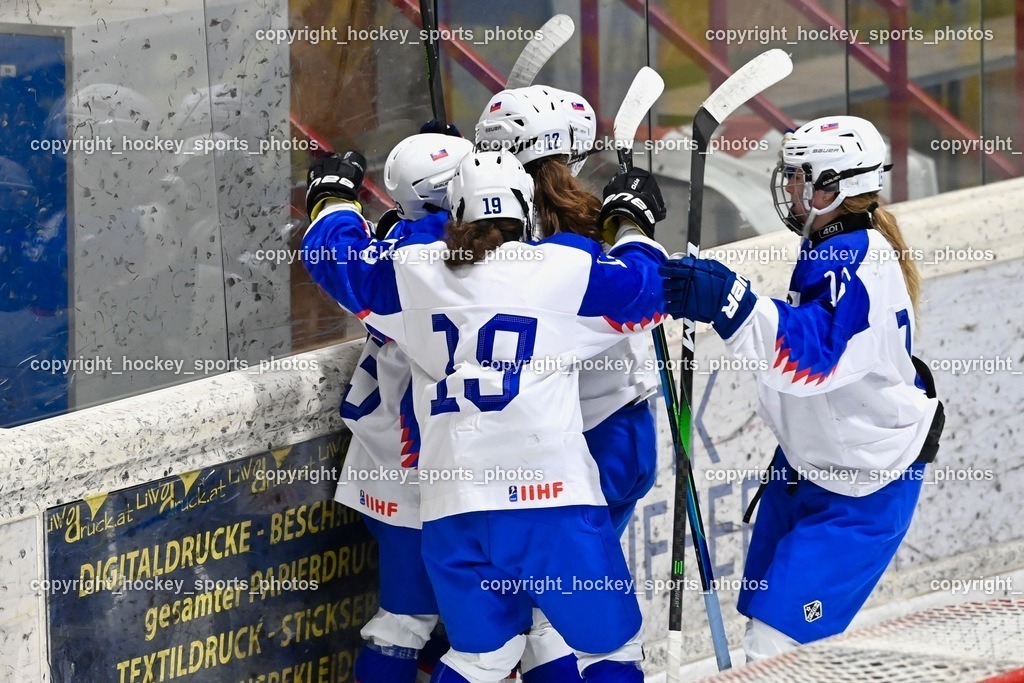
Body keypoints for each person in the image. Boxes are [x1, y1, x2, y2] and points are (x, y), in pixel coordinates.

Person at [303, 148, 667, 682]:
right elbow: (649, 288)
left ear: (456, 214)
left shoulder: (414, 270)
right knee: (609, 651)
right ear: (525, 212)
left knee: (480, 659)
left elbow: (335, 258)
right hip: (551, 505)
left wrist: (334, 199)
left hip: (454, 510)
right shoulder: (564, 267)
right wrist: (631, 222)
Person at [659, 116, 943, 661]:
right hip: (809, 468)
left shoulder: (855, 255)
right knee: (777, 637)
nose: (788, 188)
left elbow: (814, 360)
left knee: (774, 644)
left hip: (864, 487)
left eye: (800, 176)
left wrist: (729, 303)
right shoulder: (831, 246)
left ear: (836, 185)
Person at [475, 86, 663, 681]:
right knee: (560, 614)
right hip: (631, 434)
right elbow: (649, 288)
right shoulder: (600, 223)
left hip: (582, 449)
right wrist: (637, 226)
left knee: (545, 620)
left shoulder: (518, 243)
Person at [335, 133, 472, 683]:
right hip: (445, 464)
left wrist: (334, 200)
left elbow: (342, 260)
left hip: (385, 457)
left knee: (403, 621)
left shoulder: (398, 257)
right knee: (495, 632)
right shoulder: (512, 250)